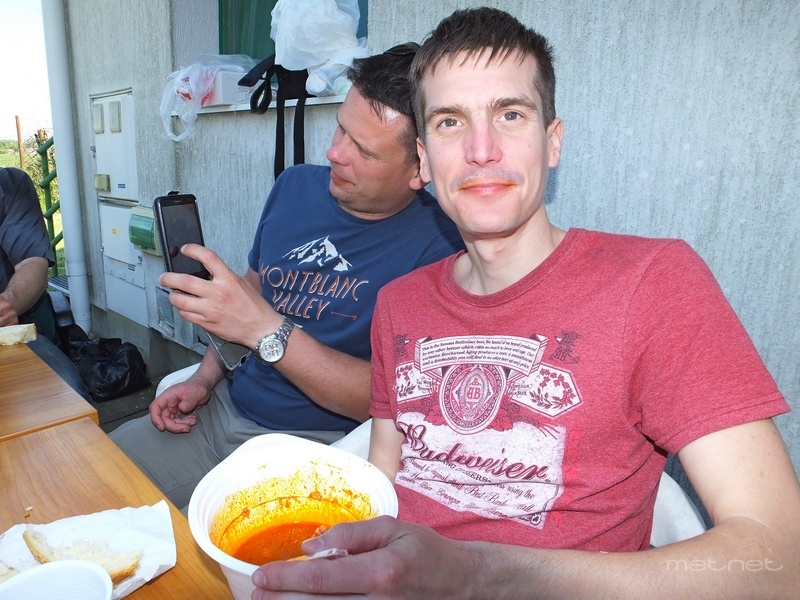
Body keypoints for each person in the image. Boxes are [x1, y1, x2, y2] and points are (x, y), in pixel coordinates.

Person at [250, 7, 800, 598]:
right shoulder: (399, 303)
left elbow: (779, 559)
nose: (482, 149)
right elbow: (384, 480)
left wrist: (477, 576)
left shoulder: (653, 283)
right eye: (450, 122)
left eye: (510, 115)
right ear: (424, 161)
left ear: (552, 142)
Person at [109, 48, 464, 509]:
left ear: (421, 168)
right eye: (341, 127)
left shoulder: (443, 248)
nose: (334, 153)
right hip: (221, 411)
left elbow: (388, 402)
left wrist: (266, 330)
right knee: (91, 470)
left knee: (173, 541)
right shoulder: (294, 186)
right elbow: (252, 296)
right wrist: (203, 378)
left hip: (311, 449)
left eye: (363, 150)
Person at [0, 166, 92, 402]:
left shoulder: (9, 184)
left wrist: (9, 302)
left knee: (71, 398)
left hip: (9, 335)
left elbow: (33, 262)